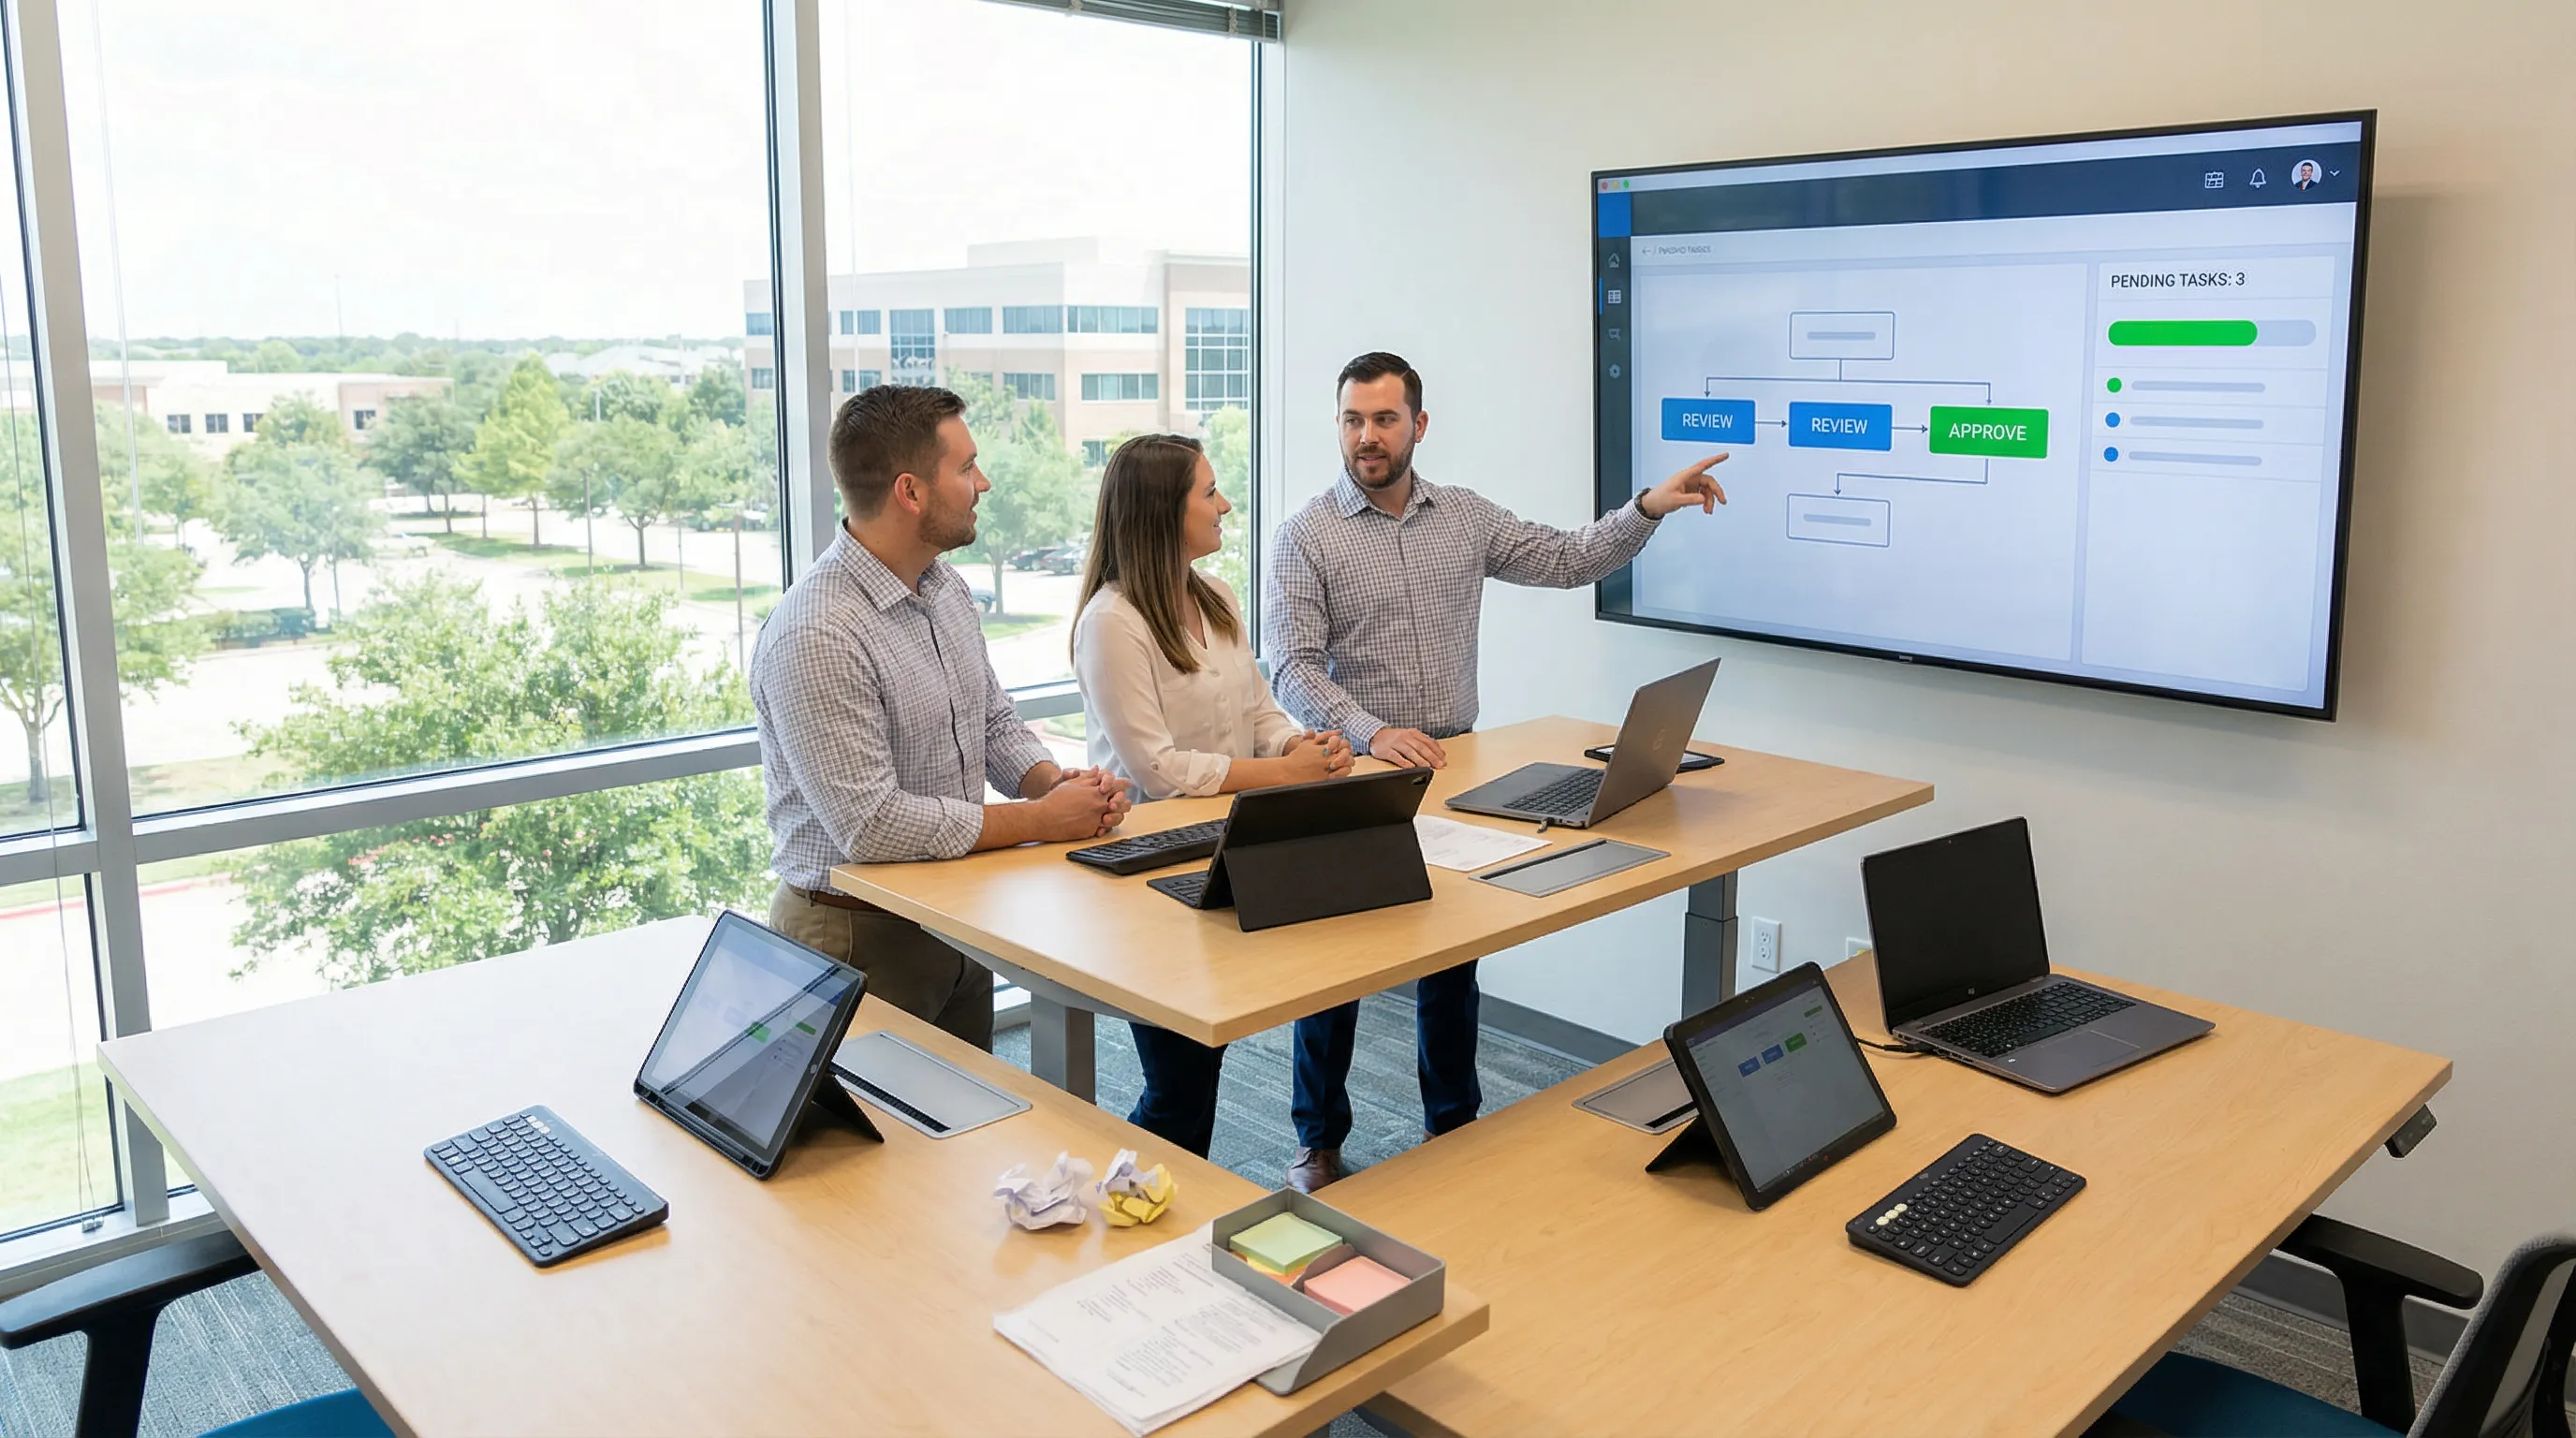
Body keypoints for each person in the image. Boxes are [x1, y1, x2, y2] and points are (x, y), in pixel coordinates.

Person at [1261, 350, 1729, 1191]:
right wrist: (1374, 733)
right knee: (1330, 973)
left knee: (1453, 960)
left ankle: (1453, 1127)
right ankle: (1317, 1141)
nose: (1367, 437)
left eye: (1384, 420)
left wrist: (1650, 507)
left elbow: (1565, 558)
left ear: (1419, 426)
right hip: (1353, 777)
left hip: (1456, 769)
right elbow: (1291, 669)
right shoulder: (1306, 535)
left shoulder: (1464, 518)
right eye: (1352, 420)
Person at [753, 384, 1133, 1050]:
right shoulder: (817, 633)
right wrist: (1040, 821)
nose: (981, 483)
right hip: (853, 937)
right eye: (965, 468)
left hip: (953, 917)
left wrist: (1053, 783)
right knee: (871, 1151)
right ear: (911, 492)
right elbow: (871, 825)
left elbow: (991, 724)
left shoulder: (946, 590)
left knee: (965, 1138)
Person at [1071, 433, 1354, 1153]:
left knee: (1204, 1063)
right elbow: (1158, 769)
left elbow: (1258, 714)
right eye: (1208, 492)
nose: (1225, 504)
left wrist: (1299, 746)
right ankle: (1132, 1214)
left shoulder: (1217, 597)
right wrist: (1284, 775)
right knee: (1177, 1085)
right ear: (1163, 512)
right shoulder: (1111, 622)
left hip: (1226, 853)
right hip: (1149, 871)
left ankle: (1177, 1222)